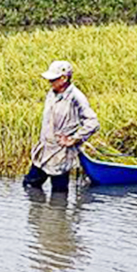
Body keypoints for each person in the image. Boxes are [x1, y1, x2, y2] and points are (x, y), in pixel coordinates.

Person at [23, 60, 99, 193]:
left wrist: (74, 139)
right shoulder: (51, 93)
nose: (50, 82)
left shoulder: (76, 97)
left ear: (64, 78)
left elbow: (93, 122)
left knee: (59, 194)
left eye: (53, 79)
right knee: (30, 184)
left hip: (61, 153)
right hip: (44, 149)